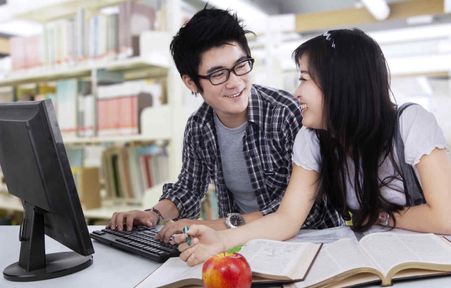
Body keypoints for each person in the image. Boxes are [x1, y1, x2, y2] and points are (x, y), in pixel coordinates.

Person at [175, 28, 451, 266]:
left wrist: (377, 216)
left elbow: (445, 217)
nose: (297, 92)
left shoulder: (411, 123)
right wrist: (222, 239)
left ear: (339, 86)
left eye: (305, 79)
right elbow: (287, 218)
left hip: (430, 265)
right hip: (370, 257)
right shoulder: (312, 138)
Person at [106, 7, 343, 240]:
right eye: (218, 74)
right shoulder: (199, 126)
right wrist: (152, 215)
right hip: (245, 242)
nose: (235, 82)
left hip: (314, 240)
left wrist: (216, 226)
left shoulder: (286, 113)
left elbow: (305, 210)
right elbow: (189, 188)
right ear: (191, 83)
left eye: (241, 66)